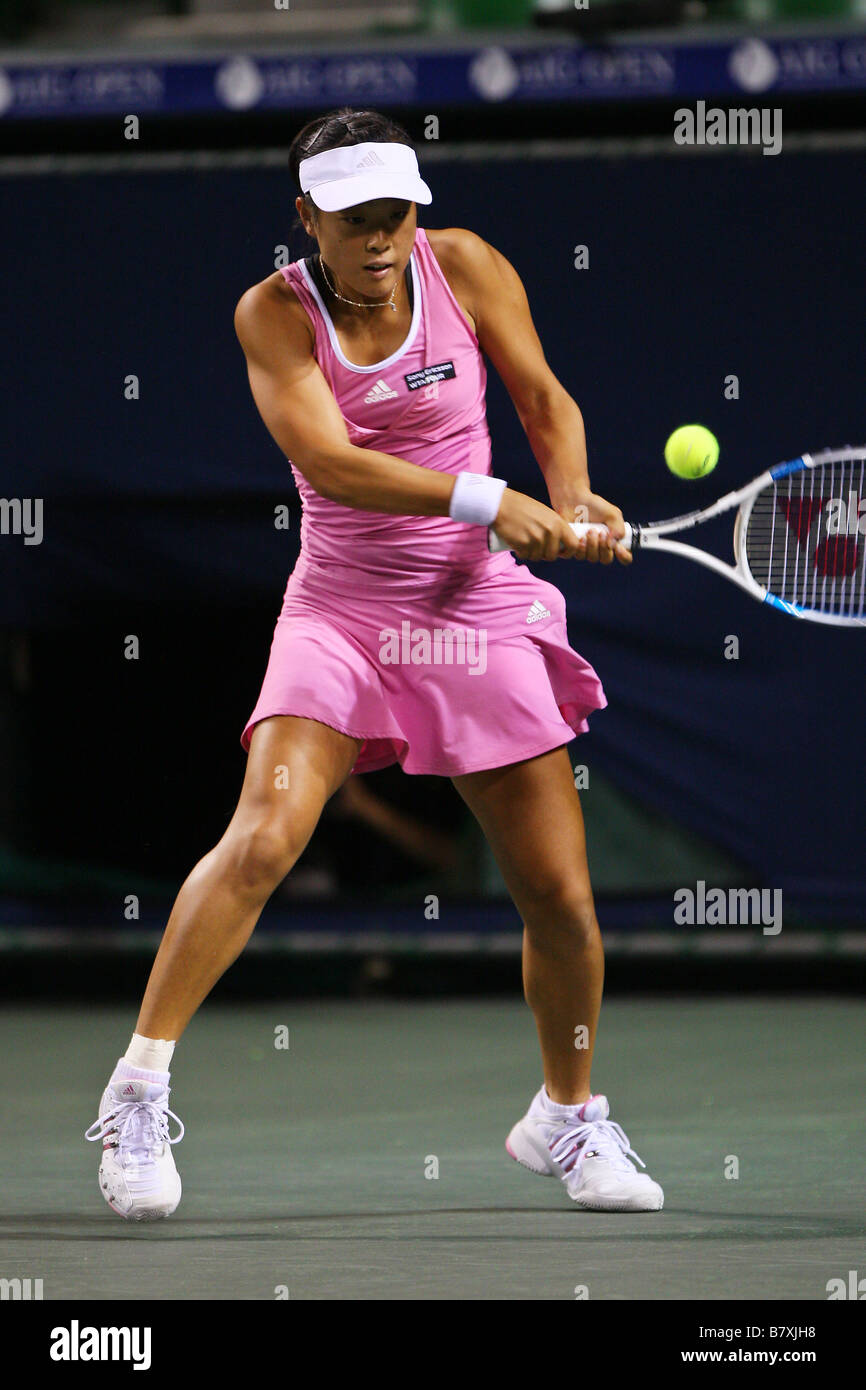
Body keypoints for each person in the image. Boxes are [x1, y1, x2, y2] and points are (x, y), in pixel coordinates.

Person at [85, 106, 663, 1220]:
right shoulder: (272, 314)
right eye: (353, 218)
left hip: (472, 610)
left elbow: (542, 398)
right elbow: (331, 462)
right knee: (260, 838)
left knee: (556, 893)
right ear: (307, 219)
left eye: (394, 212)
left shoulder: (467, 265)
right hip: (342, 615)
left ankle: (567, 1116)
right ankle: (137, 1089)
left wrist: (573, 491)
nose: (380, 236)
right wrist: (489, 497)